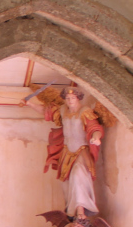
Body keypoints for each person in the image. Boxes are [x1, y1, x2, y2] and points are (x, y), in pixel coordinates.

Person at [41, 84, 109, 217]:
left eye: (73, 97)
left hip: (81, 150)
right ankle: (71, 212)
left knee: (79, 175)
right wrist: (28, 103)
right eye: (67, 98)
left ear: (78, 98)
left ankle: (81, 210)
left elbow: (95, 128)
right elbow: (46, 112)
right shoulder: (62, 111)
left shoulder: (85, 111)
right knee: (66, 183)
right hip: (66, 152)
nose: (70, 100)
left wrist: (96, 138)